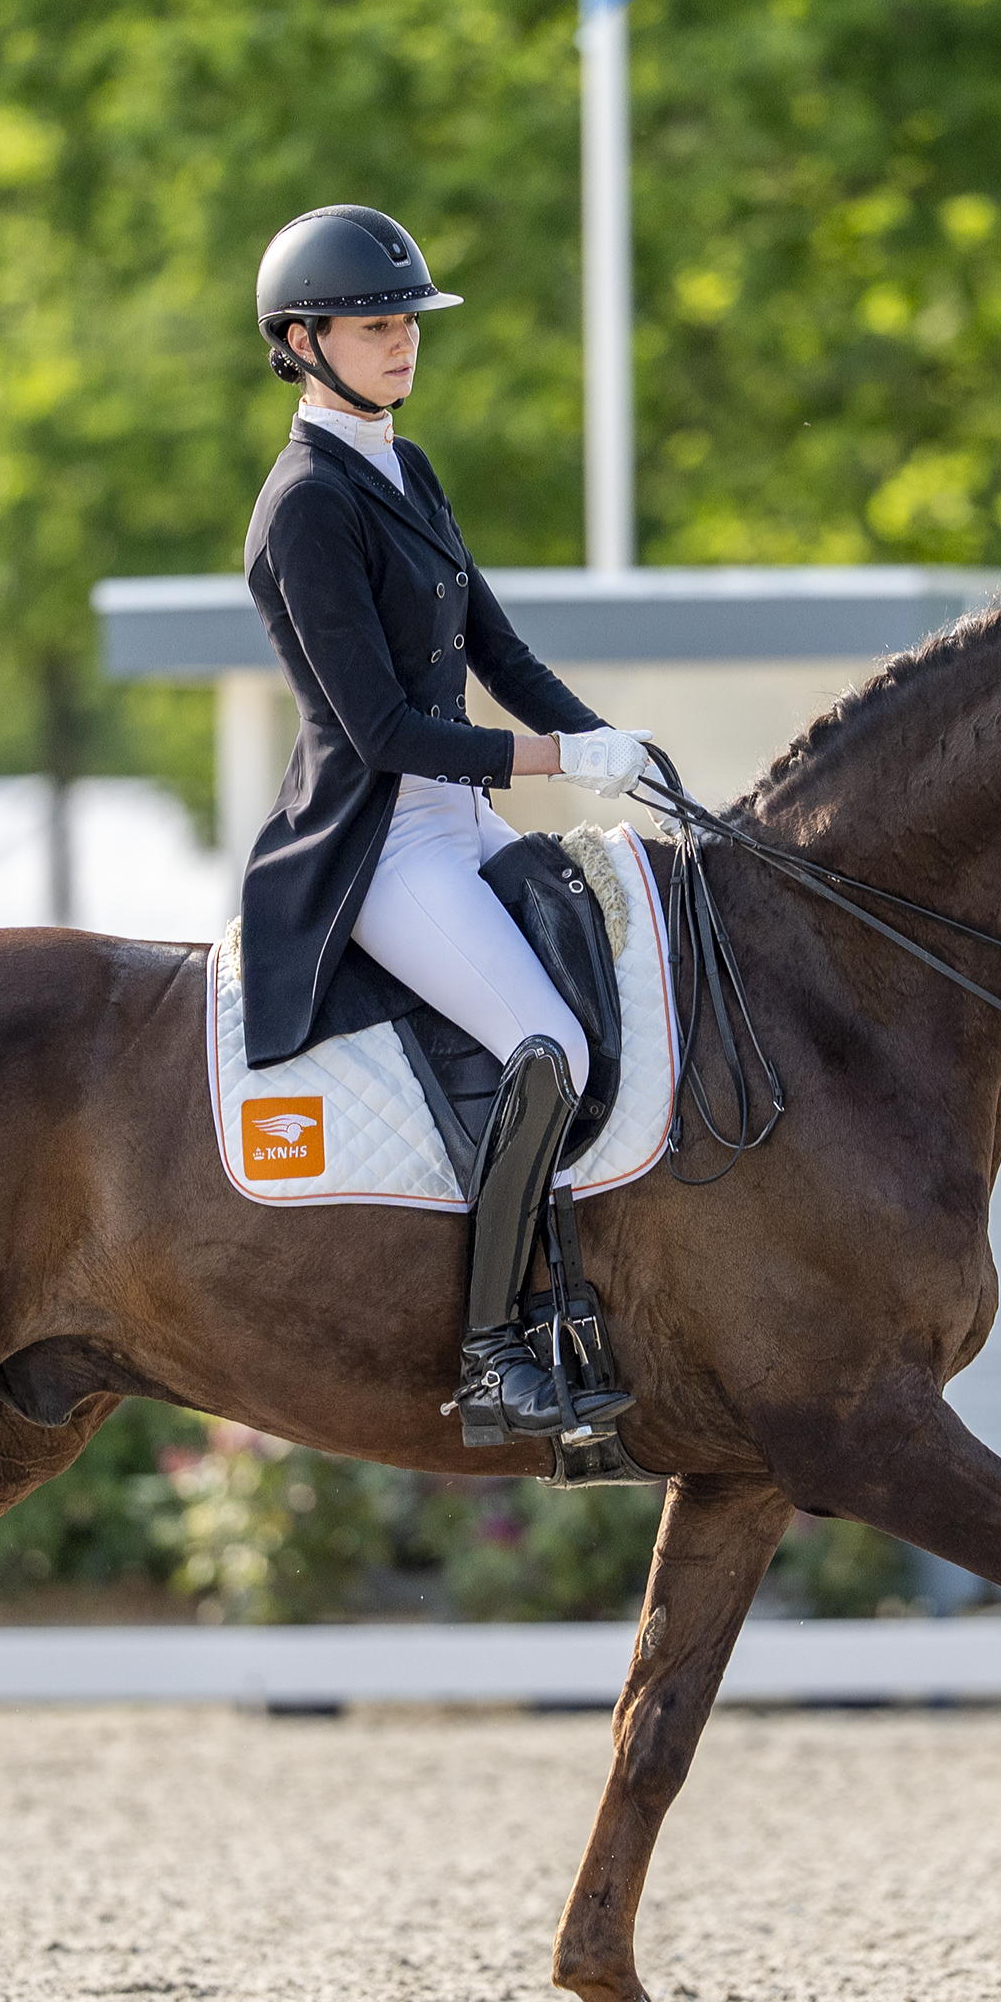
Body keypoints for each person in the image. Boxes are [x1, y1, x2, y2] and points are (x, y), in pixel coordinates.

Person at [236, 205, 654, 1445]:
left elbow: (495, 647)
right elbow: (385, 735)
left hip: (459, 815)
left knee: (632, 972)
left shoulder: (403, 467)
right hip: (381, 842)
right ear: (303, 340)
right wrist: (552, 758)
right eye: (375, 326)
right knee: (548, 1043)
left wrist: (610, 750)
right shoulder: (306, 505)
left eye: (407, 321)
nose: (402, 343)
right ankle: (490, 1352)